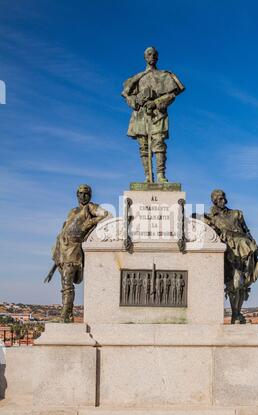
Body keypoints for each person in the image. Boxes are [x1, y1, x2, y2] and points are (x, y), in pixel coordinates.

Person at [44, 184, 109, 322]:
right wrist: (56, 259)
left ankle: (65, 316)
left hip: (73, 251)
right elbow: (63, 230)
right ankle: (69, 315)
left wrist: (89, 222)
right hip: (62, 251)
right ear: (77, 194)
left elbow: (105, 214)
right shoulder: (72, 211)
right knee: (65, 284)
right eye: (80, 193)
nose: (83, 196)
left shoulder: (90, 207)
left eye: (86, 193)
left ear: (90, 195)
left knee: (67, 283)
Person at [122, 47, 185, 183]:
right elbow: (127, 96)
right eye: (149, 54)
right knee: (144, 147)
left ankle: (161, 175)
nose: (152, 56)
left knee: (159, 143)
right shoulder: (137, 78)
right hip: (140, 115)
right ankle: (148, 177)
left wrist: (156, 102)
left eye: (155, 54)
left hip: (157, 114)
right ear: (145, 57)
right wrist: (135, 100)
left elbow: (172, 95)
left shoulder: (164, 75)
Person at [204, 189, 258, 324]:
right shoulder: (211, 218)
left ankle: (237, 314)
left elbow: (247, 232)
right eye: (219, 199)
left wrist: (254, 247)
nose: (223, 201)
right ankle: (235, 315)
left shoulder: (236, 214)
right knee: (235, 284)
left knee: (242, 285)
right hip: (229, 254)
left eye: (223, 198)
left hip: (245, 251)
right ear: (214, 201)